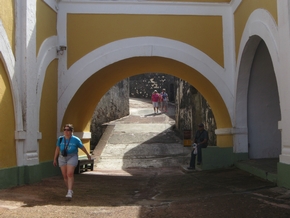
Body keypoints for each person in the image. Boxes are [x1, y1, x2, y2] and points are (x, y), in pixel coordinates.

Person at [53, 124, 91, 199]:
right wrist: (55, 159)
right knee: (65, 176)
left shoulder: (76, 139)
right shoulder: (60, 139)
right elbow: (57, 149)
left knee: (69, 174)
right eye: (65, 130)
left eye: (68, 130)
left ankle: (69, 191)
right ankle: (69, 189)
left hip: (72, 156)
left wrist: (87, 154)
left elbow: (82, 147)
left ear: (71, 131)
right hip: (62, 157)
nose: (66, 131)